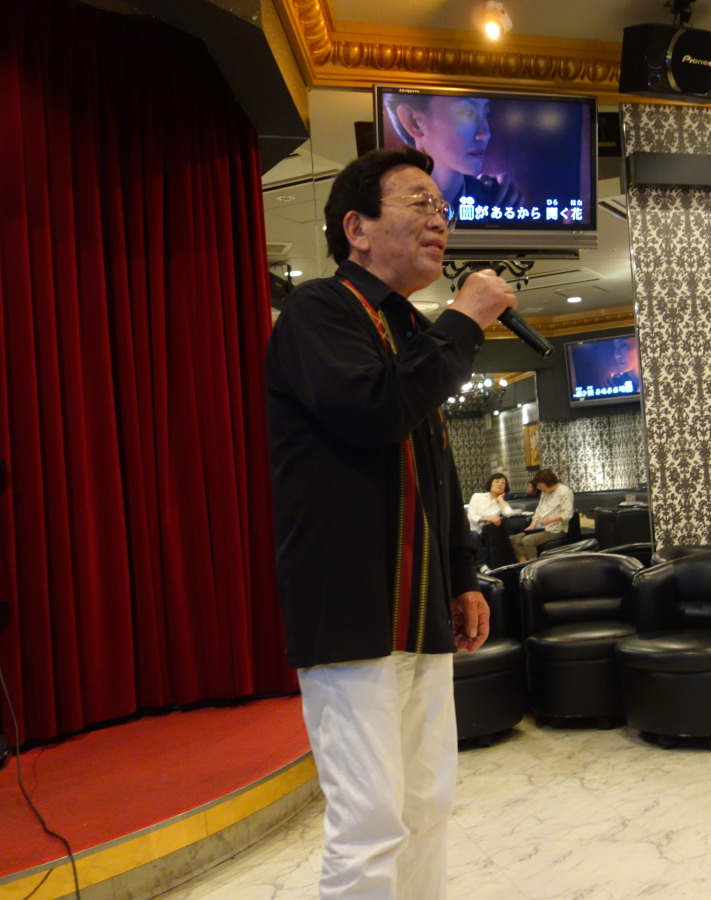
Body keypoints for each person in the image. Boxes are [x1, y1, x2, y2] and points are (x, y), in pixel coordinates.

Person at [265, 146, 517, 899]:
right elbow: (374, 411)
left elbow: (437, 471)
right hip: (350, 611)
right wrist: (464, 320)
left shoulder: (409, 328)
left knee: (427, 805)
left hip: (420, 608)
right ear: (357, 228)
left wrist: (464, 576)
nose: (440, 219)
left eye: (442, 206)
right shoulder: (318, 312)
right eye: (418, 202)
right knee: (370, 822)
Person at [383, 92, 521, 210]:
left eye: (486, 114)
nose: (485, 134)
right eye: (466, 113)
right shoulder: (387, 205)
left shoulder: (498, 203)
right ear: (414, 122)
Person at [508, 468, 574, 562]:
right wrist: (533, 525)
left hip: (556, 530)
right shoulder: (544, 493)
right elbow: (539, 510)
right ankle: (524, 565)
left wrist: (550, 520)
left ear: (548, 482)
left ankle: (534, 566)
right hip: (541, 528)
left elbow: (568, 514)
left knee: (527, 540)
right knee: (514, 539)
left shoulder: (564, 491)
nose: (539, 488)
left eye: (540, 486)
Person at [467, 472, 514, 569]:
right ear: (490, 484)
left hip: (488, 533)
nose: (500, 484)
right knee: (473, 534)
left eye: (503, 483)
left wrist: (500, 500)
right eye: (497, 481)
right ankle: (482, 565)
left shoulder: (501, 503)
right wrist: (489, 519)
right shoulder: (477, 496)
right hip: (473, 530)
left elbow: (509, 513)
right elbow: (471, 516)